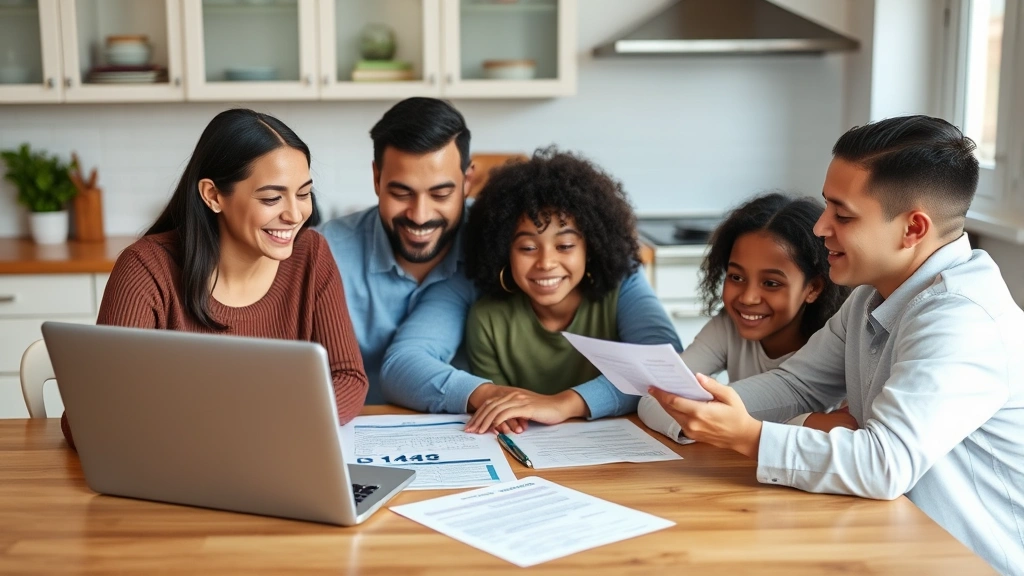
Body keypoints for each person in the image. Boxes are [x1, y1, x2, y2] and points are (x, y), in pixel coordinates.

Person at [647, 115, 1024, 575]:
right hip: (893, 541)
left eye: (842, 215)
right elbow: (798, 386)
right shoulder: (871, 296)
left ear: (912, 229)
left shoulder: (962, 318)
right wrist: (699, 408)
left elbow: (885, 463)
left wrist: (747, 435)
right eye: (827, 208)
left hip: (970, 562)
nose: (821, 227)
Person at [60, 108, 368, 448]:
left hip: (278, 459)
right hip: (183, 468)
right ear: (213, 195)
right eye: (271, 198)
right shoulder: (146, 269)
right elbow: (87, 419)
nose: (295, 215)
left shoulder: (311, 254)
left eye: (304, 193)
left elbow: (349, 377)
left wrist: (272, 429)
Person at [460, 148, 683, 433]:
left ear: (590, 248)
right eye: (528, 248)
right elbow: (506, 414)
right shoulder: (487, 320)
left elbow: (665, 366)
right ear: (504, 251)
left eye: (565, 246)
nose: (546, 263)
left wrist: (563, 404)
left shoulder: (617, 294)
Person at [639, 192, 850, 442]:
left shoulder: (836, 346)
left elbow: (845, 431)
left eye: (771, 283)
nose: (748, 298)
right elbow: (653, 399)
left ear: (813, 288)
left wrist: (713, 419)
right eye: (736, 277)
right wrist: (798, 423)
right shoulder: (727, 326)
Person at [318, 97, 473, 404]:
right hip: (352, 433)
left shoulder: (506, 242)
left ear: (467, 180)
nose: (419, 214)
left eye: (440, 194)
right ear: (377, 179)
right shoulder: (323, 252)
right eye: (402, 193)